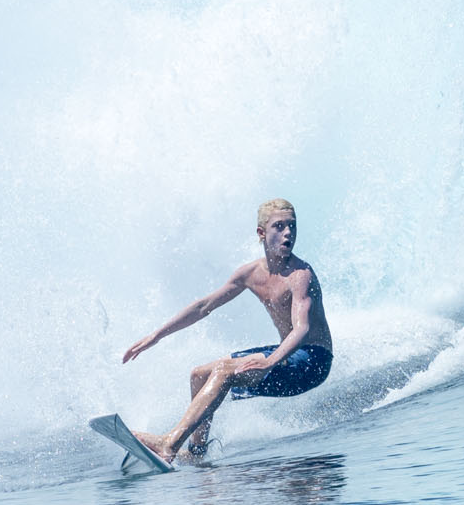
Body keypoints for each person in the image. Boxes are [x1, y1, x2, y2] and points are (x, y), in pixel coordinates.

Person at [121, 198, 333, 462]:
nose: (288, 232)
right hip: (285, 355)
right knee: (199, 375)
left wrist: (269, 362)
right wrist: (156, 335)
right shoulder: (250, 273)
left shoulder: (300, 275)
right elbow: (203, 306)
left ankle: (169, 443)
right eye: (279, 226)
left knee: (224, 371)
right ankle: (197, 452)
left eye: (292, 226)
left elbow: (302, 329)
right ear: (261, 233)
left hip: (312, 362)